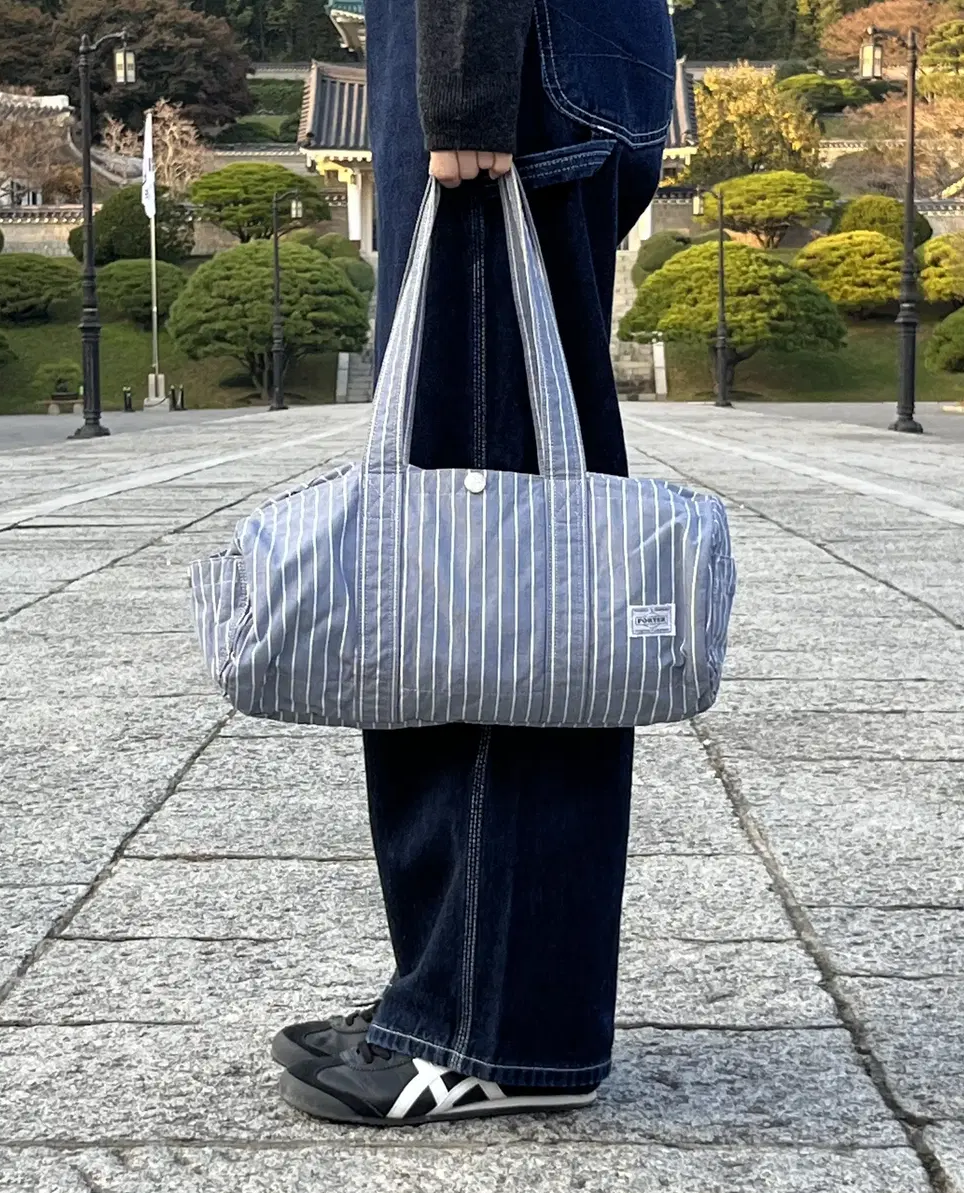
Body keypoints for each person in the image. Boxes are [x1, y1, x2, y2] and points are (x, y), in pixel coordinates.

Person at [273, 0, 676, 1126]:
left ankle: (486, 1029)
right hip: (567, 52)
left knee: (480, 573)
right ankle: (479, 998)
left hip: (510, 54)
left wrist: (463, 73)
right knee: (502, 553)